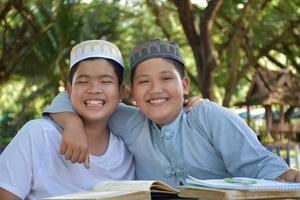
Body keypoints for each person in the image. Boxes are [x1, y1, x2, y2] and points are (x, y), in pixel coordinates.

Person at [44, 39, 300, 188]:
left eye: (166, 78)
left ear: (185, 86)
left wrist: (286, 176)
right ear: (130, 91)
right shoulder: (131, 121)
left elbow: (257, 163)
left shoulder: (206, 116)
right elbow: (74, 97)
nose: (155, 90)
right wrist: (72, 124)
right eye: (143, 82)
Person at [0, 40, 135, 200]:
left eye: (105, 81)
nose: (93, 90)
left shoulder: (127, 154)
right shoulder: (38, 135)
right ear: (69, 91)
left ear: (120, 92)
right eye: (83, 82)